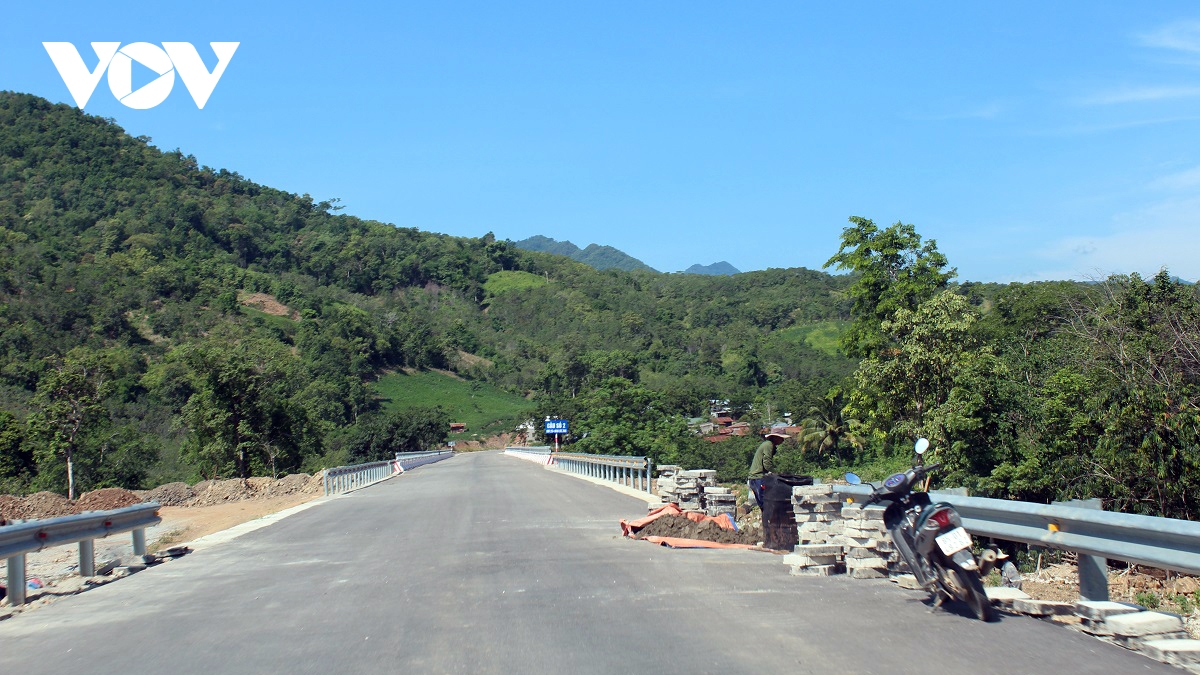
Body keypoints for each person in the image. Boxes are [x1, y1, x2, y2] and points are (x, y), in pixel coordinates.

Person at [747, 431, 788, 508]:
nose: (782, 440)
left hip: (755, 478)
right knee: (766, 503)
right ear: (776, 437)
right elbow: (767, 463)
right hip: (758, 477)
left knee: (764, 504)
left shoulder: (769, 445)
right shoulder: (768, 445)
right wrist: (776, 473)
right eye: (781, 438)